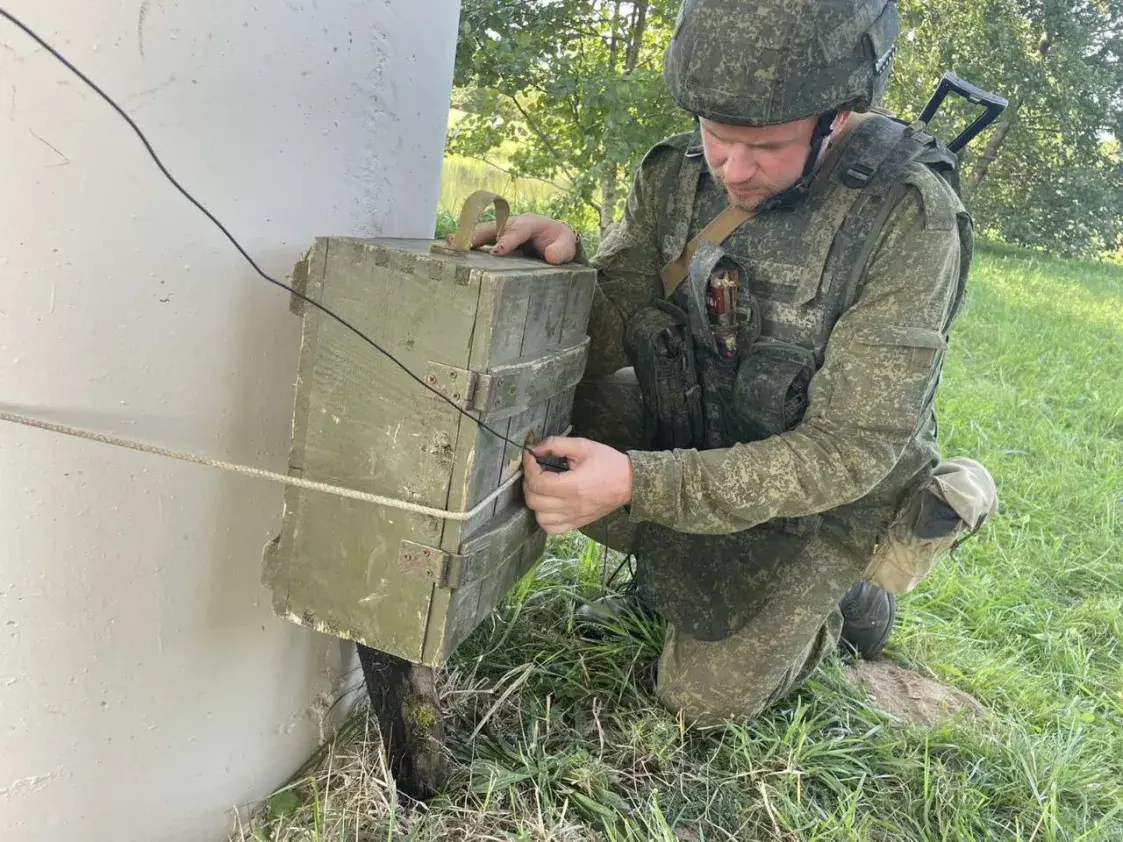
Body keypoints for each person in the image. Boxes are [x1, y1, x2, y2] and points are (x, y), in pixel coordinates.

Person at [457, 0, 997, 727]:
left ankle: (845, 603)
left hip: (825, 493)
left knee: (702, 705)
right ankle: (677, 568)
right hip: (700, 425)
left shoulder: (906, 218)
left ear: (835, 117)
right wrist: (557, 269)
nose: (734, 170)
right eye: (718, 138)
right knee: (544, 420)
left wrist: (637, 483)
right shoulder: (676, 176)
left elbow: (845, 452)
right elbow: (613, 324)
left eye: (767, 147)